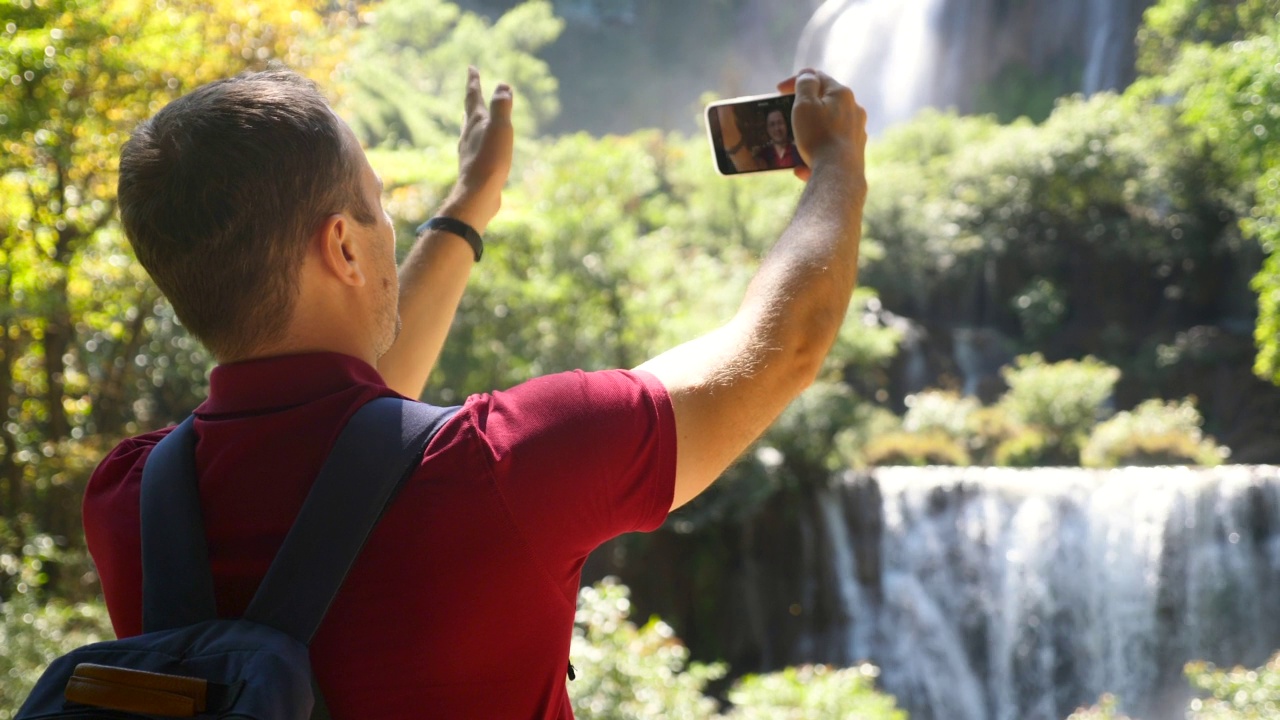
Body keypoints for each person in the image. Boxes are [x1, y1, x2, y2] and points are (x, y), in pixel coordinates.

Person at [82, 64, 867, 719]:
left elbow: (351, 468)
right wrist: (836, 162)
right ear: (344, 248)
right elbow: (783, 345)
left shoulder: (130, 502)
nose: (392, 224)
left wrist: (470, 203)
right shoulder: (506, 465)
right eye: (380, 203)